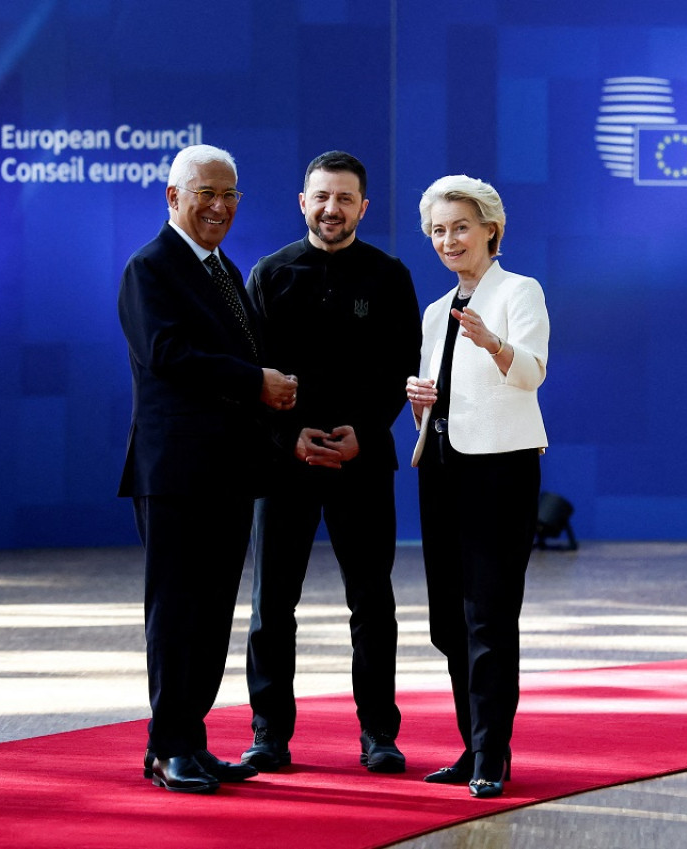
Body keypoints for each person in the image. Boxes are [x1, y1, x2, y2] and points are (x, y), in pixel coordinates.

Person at [117, 144, 299, 794]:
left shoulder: (224, 268)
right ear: (173, 197)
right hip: (175, 473)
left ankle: (190, 740)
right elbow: (168, 354)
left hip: (228, 471)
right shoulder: (151, 268)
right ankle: (168, 748)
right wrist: (257, 382)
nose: (219, 206)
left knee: (215, 611)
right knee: (177, 611)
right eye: (205, 194)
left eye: (230, 195)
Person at [241, 151, 421, 773]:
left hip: (363, 461)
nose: (332, 208)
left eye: (345, 199)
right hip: (282, 461)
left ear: (363, 207)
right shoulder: (267, 275)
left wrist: (363, 434)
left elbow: (405, 369)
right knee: (271, 603)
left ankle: (379, 734)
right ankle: (269, 734)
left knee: (373, 602)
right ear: (303, 201)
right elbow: (249, 372)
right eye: (321, 196)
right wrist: (287, 434)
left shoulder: (390, 276)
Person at [405, 175, 549, 799]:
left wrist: (493, 343)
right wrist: (419, 403)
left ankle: (493, 751)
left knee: (488, 615)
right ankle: (470, 746)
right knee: (447, 621)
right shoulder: (437, 311)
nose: (448, 239)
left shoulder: (520, 291)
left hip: (500, 470)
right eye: (437, 230)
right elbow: (445, 400)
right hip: (440, 468)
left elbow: (532, 373)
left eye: (460, 226)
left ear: (491, 228)